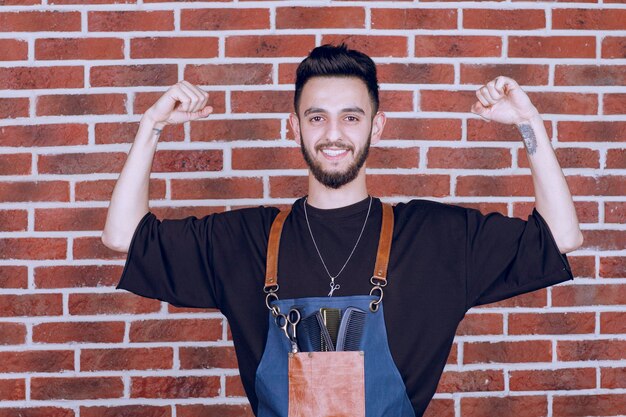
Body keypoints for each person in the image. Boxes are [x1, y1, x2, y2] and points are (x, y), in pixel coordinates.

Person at [102, 44, 583, 417]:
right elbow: (123, 236)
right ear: (293, 127)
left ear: (377, 128)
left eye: (351, 117)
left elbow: (562, 238)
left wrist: (528, 124)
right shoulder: (243, 240)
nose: (333, 135)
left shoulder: (437, 238)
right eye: (317, 117)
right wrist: (152, 126)